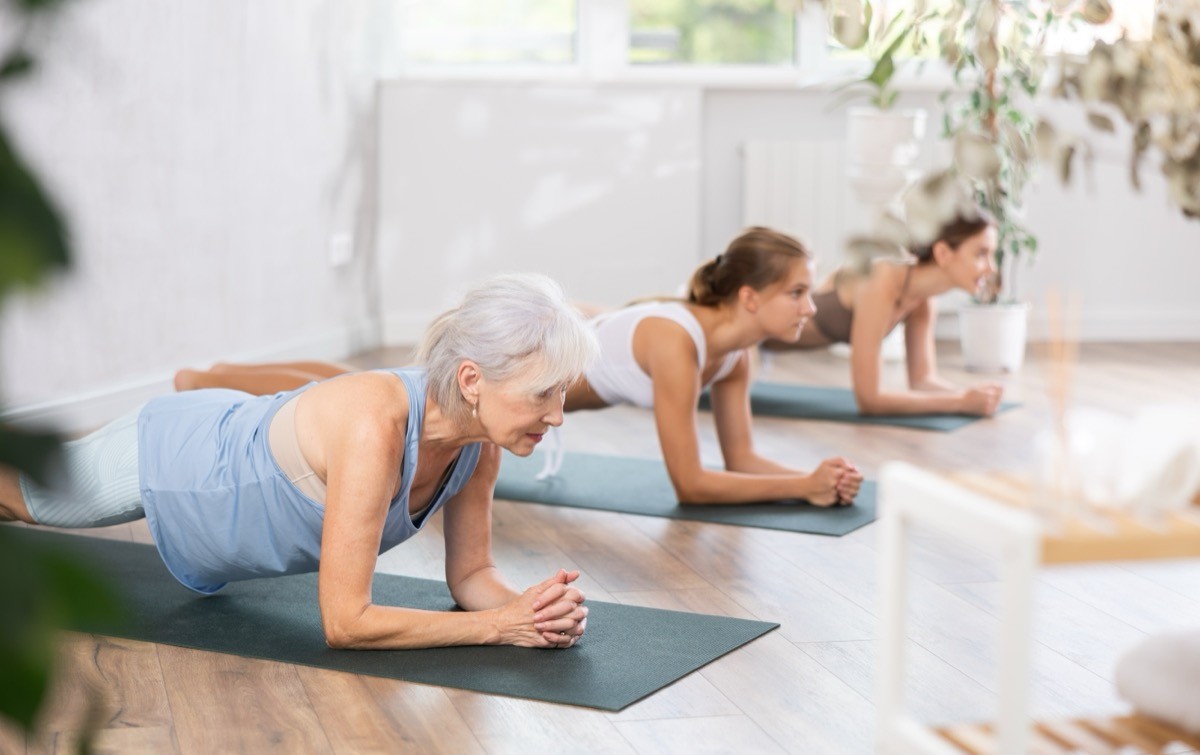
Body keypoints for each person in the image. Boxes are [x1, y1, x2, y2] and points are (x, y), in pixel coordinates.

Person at [0, 274, 597, 651]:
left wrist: (531, 610)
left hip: (238, 430)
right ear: (472, 380)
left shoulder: (480, 448)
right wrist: (497, 627)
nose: (558, 415)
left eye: (562, 393)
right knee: (24, 500)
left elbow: (470, 577)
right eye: (543, 393)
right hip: (184, 461)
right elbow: (346, 622)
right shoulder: (376, 428)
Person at [175, 228, 865, 508]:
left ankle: (221, 371)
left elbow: (740, 454)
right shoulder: (676, 345)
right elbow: (688, 483)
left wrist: (811, 477)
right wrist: (798, 485)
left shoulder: (733, 353)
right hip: (515, 353)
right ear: (751, 297)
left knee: (352, 377)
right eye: (799, 292)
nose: (814, 306)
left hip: (578, 332)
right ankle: (210, 379)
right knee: (348, 387)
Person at [766, 210, 1005, 417]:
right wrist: (960, 402)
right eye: (981, 254)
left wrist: (970, 395)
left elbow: (922, 380)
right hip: (755, 339)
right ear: (943, 253)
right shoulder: (881, 280)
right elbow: (870, 400)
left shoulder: (922, 300)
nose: (991, 267)